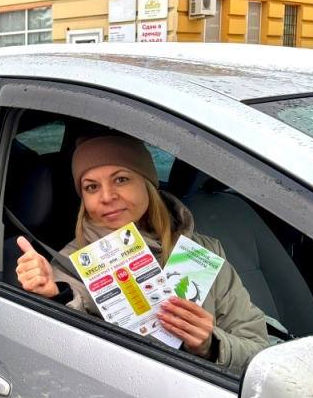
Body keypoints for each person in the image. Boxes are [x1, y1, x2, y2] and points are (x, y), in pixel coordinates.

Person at [15, 134, 270, 374]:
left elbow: (259, 351)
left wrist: (211, 346)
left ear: (147, 183)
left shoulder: (203, 251)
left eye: (121, 179)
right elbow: (67, 361)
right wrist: (54, 296)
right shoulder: (69, 267)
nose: (107, 197)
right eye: (91, 187)